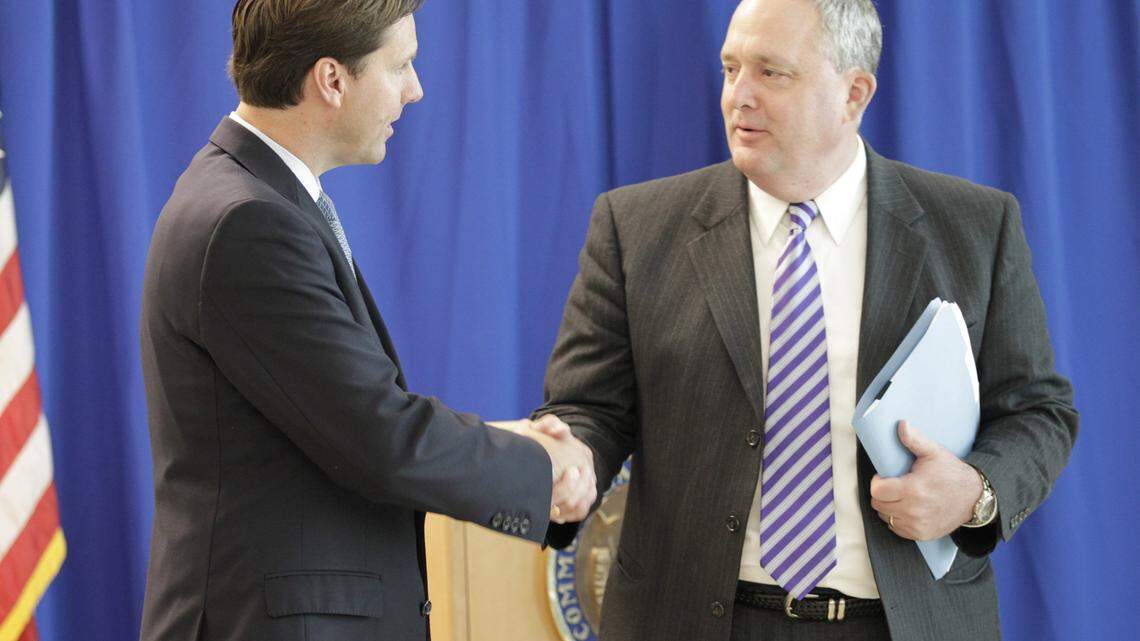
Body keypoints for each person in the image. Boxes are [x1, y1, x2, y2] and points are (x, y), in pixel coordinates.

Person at [533, 0, 1077, 639]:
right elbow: (591, 412)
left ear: (854, 93)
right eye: (731, 69)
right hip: (696, 619)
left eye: (773, 73)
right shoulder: (636, 228)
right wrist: (565, 459)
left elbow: (1038, 411)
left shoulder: (976, 228)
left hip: (902, 622)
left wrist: (976, 492)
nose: (740, 95)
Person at [138, 1, 594, 639]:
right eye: (401, 65)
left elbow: (334, 418)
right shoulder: (249, 222)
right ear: (332, 79)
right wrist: (540, 469)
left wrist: (514, 439)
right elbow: (378, 438)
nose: (415, 89)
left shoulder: (252, 197)